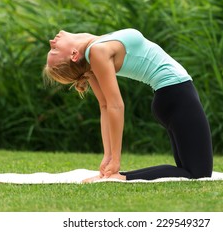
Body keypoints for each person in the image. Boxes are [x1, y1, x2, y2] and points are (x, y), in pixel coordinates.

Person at [43, 28, 213, 182]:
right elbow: (113, 106)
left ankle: (118, 176)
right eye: (55, 50)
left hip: (172, 97)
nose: (52, 42)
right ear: (74, 55)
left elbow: (105, 106)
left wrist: (108, 157)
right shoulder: (97, 51)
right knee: (198, 174)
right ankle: (121, 177)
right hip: (177, 96)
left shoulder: (92, 50)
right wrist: (113, 159)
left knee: (190, 170)